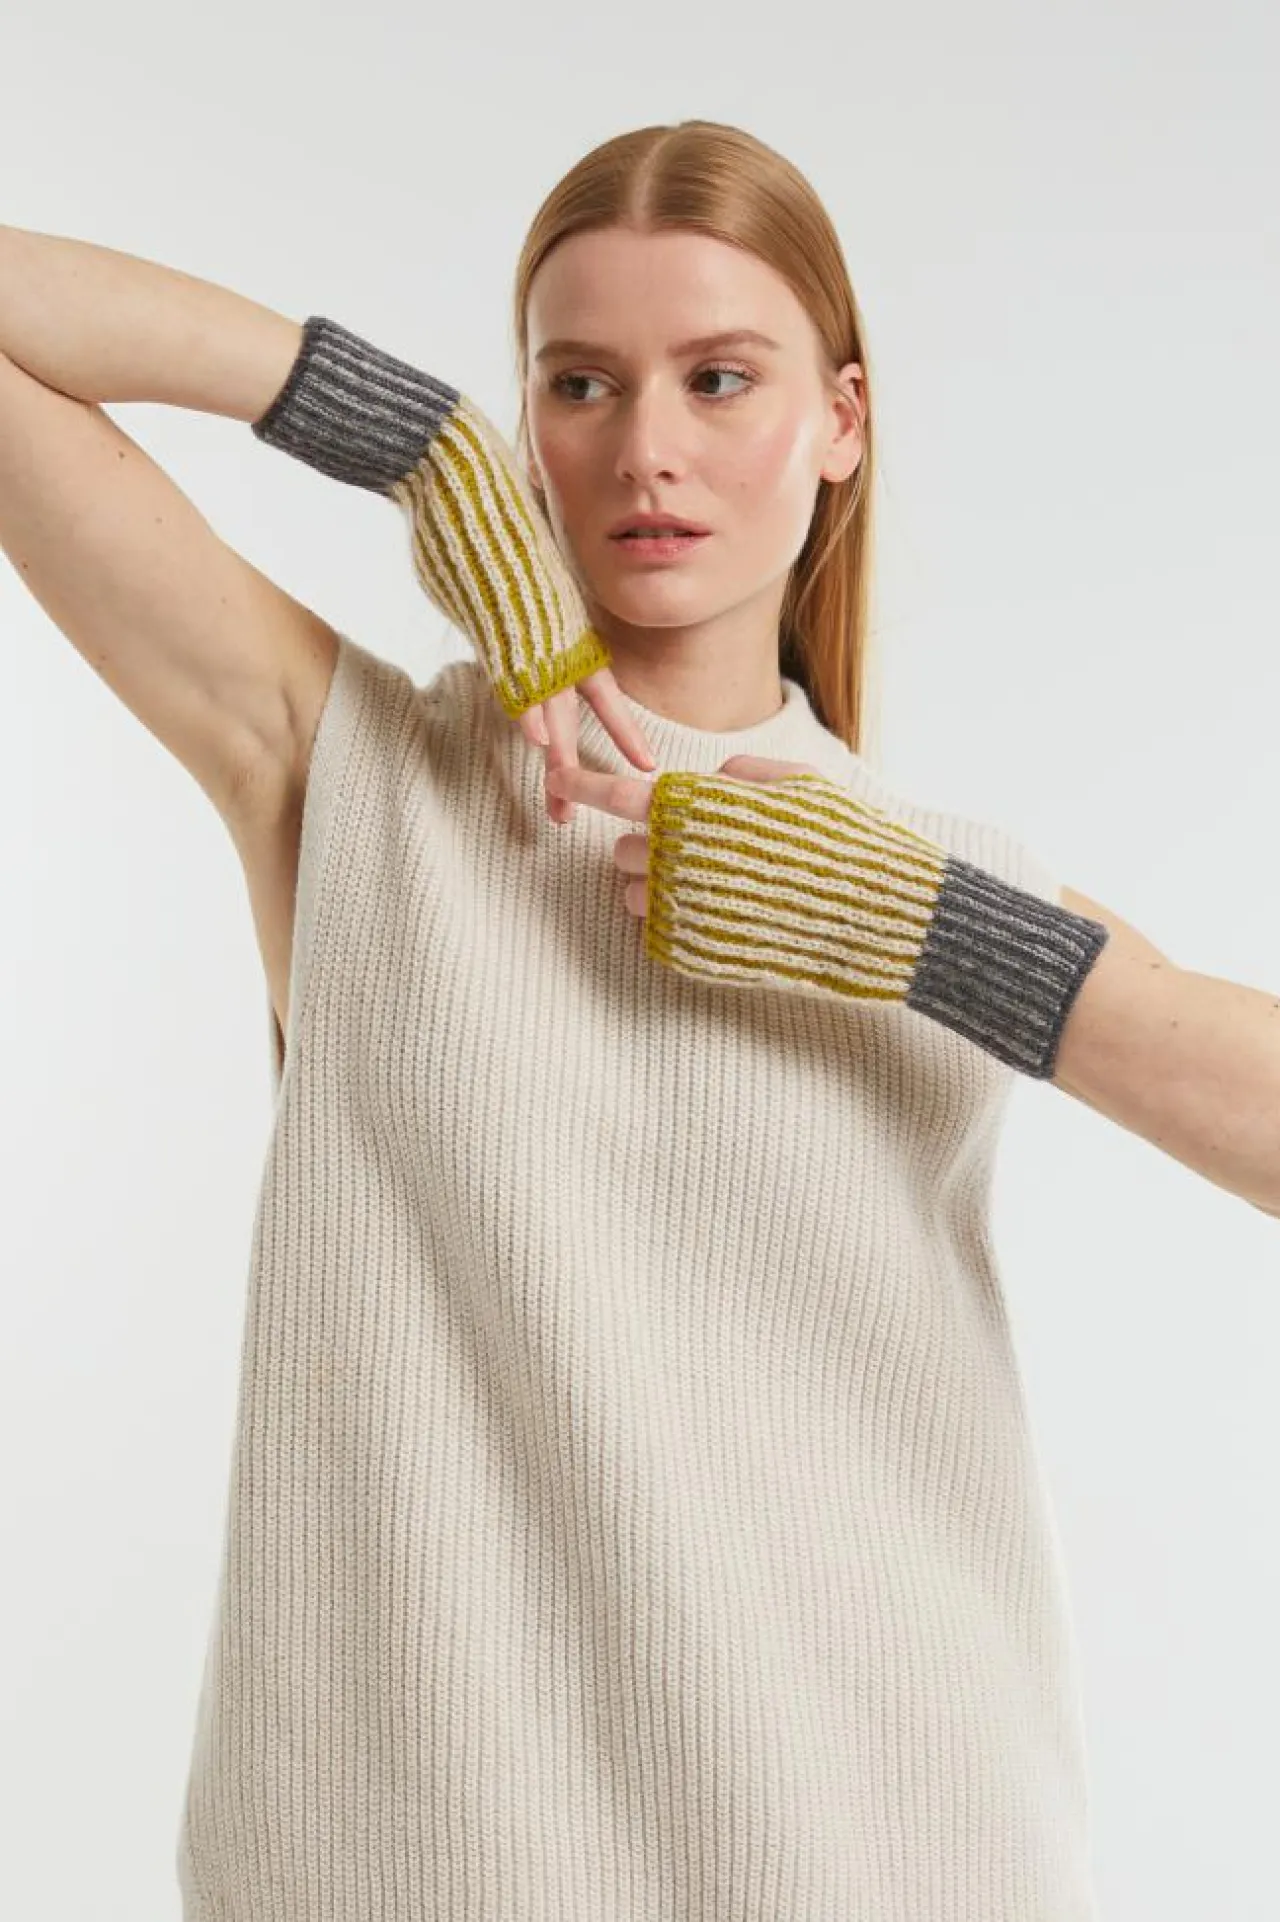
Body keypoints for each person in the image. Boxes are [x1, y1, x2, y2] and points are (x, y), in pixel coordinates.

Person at [0, 120, 1110, 1919]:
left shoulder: (940, 884)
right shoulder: (362, 783)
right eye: (579, 384)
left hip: (895, 1849)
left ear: (843, 419)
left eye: (720, 378)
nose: (646, 447)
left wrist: (917, 925)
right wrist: (401, 434)